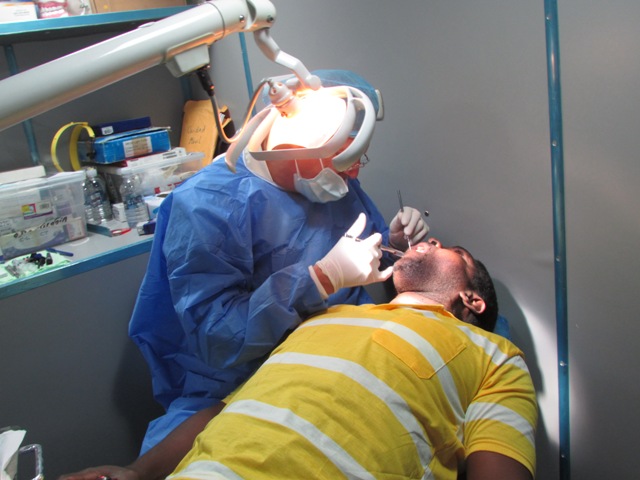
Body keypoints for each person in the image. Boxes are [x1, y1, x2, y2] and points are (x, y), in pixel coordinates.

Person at [60, 235, 537, 480]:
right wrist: (137, 471)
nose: (428, 242)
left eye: (449, 249)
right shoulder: (329, 316)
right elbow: (227, 410)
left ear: (472, 300)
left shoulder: (495, 357)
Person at [129, 70, 429, 453]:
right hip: (245, 379)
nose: (353, 172)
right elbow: (218, 339)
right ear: (291, 147)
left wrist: (393, 242)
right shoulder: (208, 206)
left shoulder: (329, 178)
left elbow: (359, 247)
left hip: (342, 347)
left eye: (358, 157)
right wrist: (319, 279)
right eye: (344, 160)